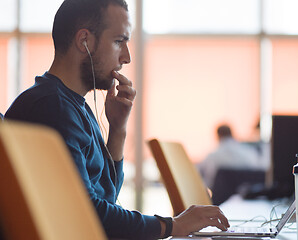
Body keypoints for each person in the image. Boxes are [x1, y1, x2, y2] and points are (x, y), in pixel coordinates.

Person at [4, 0, 229, 239]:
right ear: (85, 42)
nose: (127, 57)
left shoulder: (71, 105)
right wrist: (172, 226)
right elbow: (89, 215)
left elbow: (105, 197)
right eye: (119, 41)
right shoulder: (51, 108)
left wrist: (118, 128)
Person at [198, 124, 262, 193]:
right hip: (244, 197)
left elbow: (206, 180)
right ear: (232, 134)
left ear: (218, 136)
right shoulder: (249, 153)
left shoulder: (212, 157)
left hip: (219, 200)